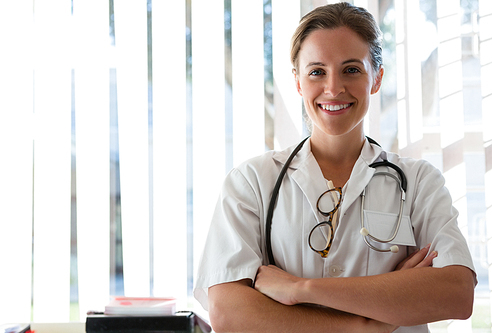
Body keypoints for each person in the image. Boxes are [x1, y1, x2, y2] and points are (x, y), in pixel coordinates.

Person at [194, 2, 476, 332]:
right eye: (317, 71)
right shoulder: (252, 182)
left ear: (377, 78)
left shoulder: (418, 183)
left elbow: (455, 294)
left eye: (351, 69)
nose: (333, 88)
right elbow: (229, 313)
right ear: (298, 81)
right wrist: (369, 325)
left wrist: (299, 289)